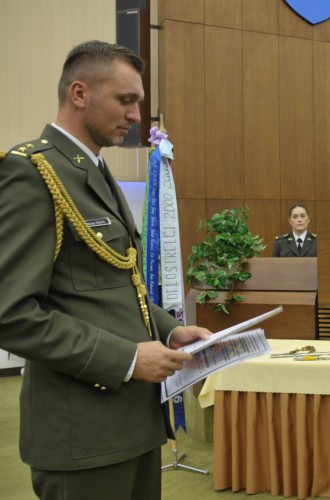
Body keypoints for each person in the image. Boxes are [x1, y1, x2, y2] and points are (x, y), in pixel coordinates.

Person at [0, 40, 212, 499]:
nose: (137, 115)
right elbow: (11, 315)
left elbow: (118, 281)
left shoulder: (92, 170)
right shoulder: (33, 172)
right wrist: (130, 359)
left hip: (131, 421)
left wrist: (169, 331)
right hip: (83, 432)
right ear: (79, 94)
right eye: (125, 100)